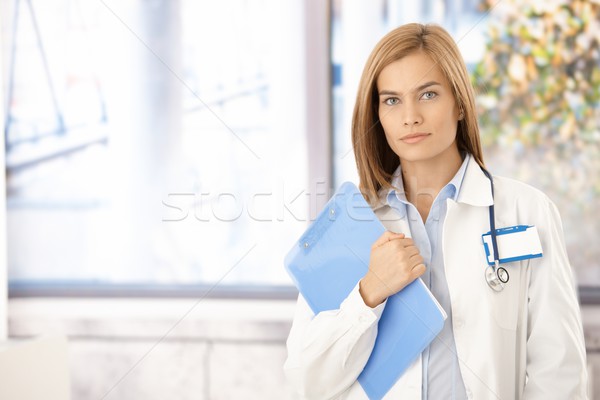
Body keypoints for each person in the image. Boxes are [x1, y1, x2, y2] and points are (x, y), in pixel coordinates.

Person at [283, 23, 588, 399]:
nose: (410, 116)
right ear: (377, 113)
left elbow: (558, 370)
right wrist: (368, 296)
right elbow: (306, 383)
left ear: (459, 102)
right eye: (391, 100)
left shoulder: (526, 211)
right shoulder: (351, 224)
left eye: (427, 94)